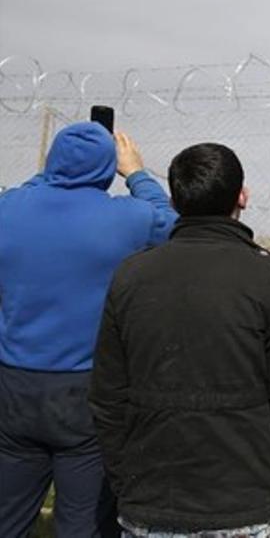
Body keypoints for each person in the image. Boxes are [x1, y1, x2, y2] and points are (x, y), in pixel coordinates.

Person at [89, 143, 270, 537]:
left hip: (152, 496)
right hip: (240, 502)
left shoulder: (132, 276)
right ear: (242, 197)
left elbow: (107, 397)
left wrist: (126, 477)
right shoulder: (269, 279)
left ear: (174, 199)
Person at [0, 123, 176, 537]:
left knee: (8, 513)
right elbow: (172, 222)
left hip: (14, 382)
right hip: (87, 387)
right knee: (82, 519)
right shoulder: (130, 218)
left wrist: (53, 172)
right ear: (108, 166)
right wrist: (135, 173)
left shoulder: (9, 208)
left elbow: (26, 190)